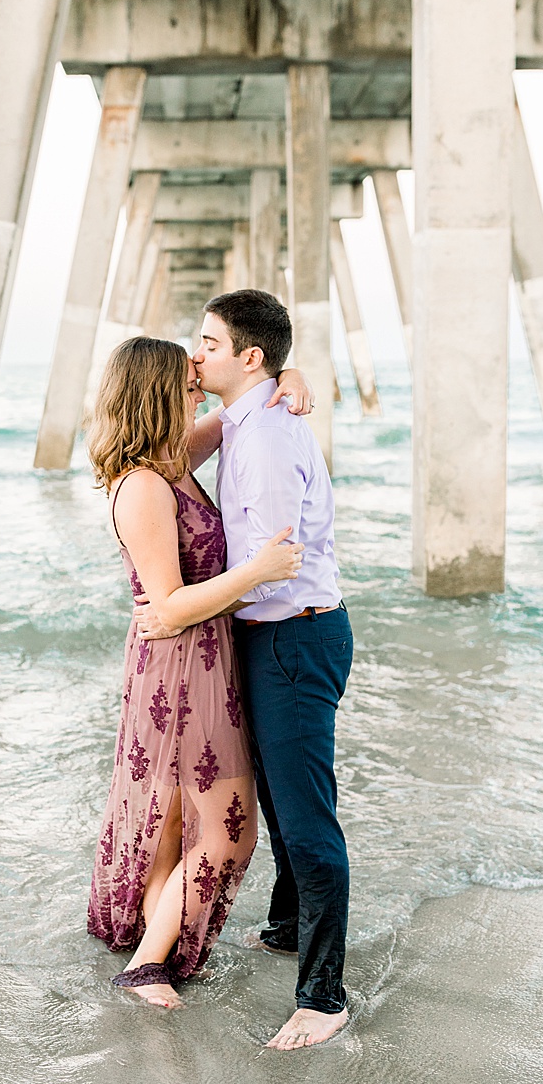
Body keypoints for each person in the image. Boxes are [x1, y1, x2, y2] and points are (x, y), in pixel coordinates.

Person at [137, 290, 355, 1050]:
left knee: (305, 818)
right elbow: (163, 458)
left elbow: (266, 572)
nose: (194, 354)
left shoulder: (260, 438)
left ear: (248, 357)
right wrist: (291, 379)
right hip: (281, 638)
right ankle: (290, 929)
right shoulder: (245, 419)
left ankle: (324, 997)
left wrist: (172, 610)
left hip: (292, 636)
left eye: (207, 343)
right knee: (283, 793)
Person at [85, 335, 313, 1010]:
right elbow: (171, 605)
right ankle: (147, 966)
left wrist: (291, 373)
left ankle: (154, 949)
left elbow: (243, 403)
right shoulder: (144, 486)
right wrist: (257, 572)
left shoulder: (175, 458)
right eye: (188, 385)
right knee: (230, 829)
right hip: (180, 666)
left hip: (202, 653)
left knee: (180, 819)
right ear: (159, 394)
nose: (200, 391)